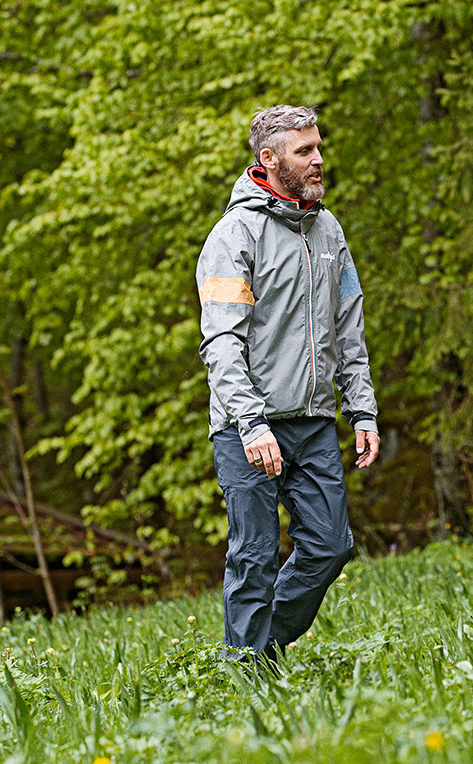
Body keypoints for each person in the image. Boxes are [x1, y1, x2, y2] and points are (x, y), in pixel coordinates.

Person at [196, 105, 380, 661]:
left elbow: (348, 327)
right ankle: (248, 675)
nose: (319, 159)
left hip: (314, 420)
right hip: (247, 426)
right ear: (269, 159)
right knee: (254, 556)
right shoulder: (234, 235)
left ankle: (257, 649)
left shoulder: (328, 230)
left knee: (330, 547)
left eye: (318, 147)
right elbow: (221, 343)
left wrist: (363, 409)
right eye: (305, 151)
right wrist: (251, 423)